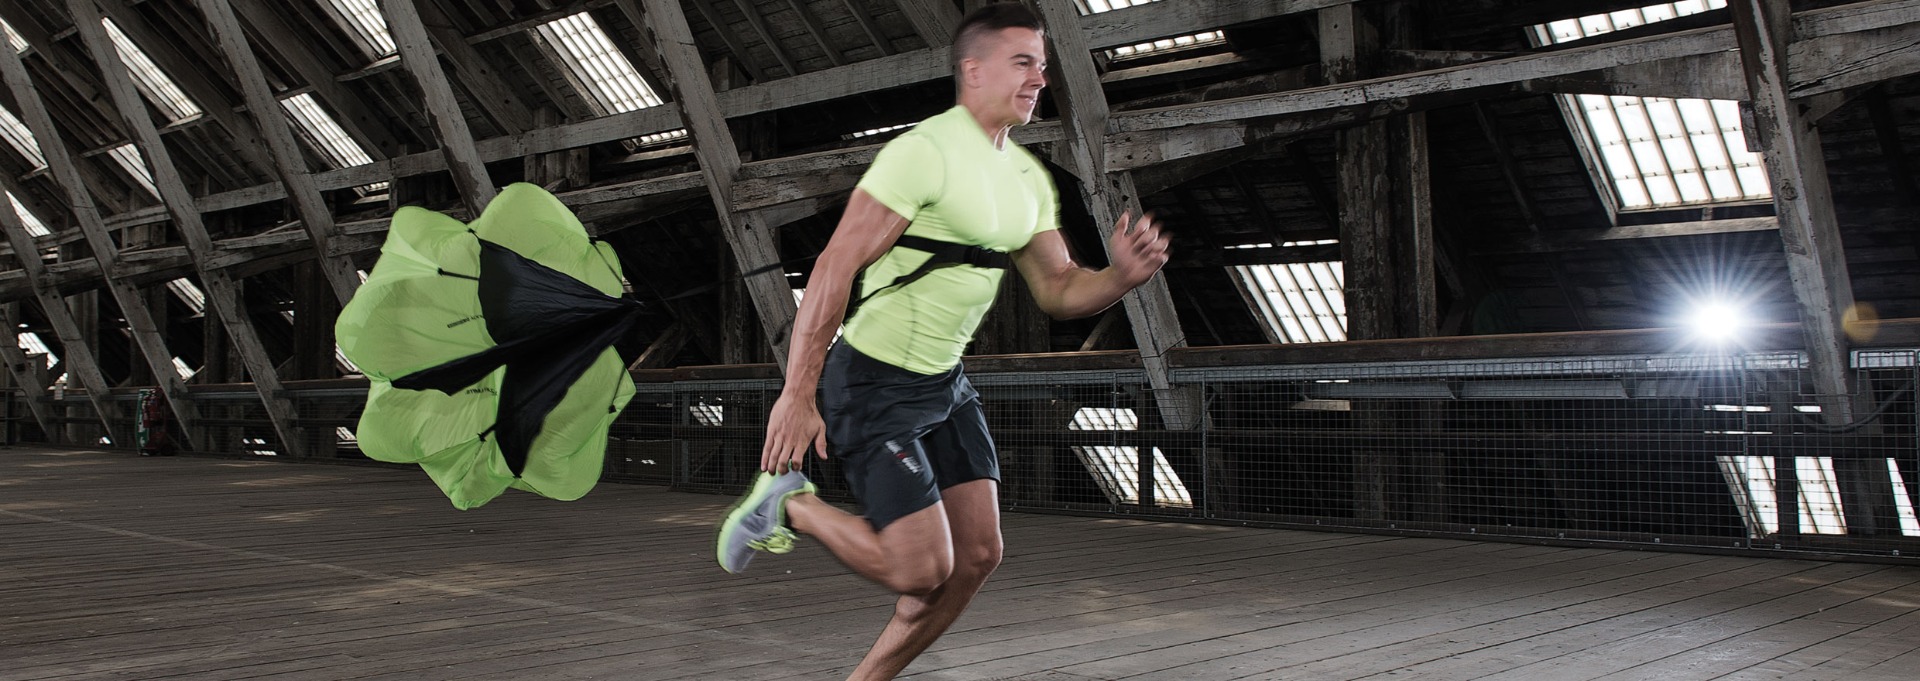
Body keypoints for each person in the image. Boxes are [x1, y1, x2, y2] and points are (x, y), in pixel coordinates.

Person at [715, 3, 1169, 678]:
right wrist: (798, 393)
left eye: (1043, 66)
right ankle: (792, 504)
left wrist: (1120, 278)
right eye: (1023, 63)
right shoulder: (922, 154)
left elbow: (1058, 288)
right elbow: (835, 267)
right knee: (921, 569)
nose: (1039, 78)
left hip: (945, 384)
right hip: (873, 380)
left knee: (979, 555)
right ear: (973, 70)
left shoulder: (1027, 178)